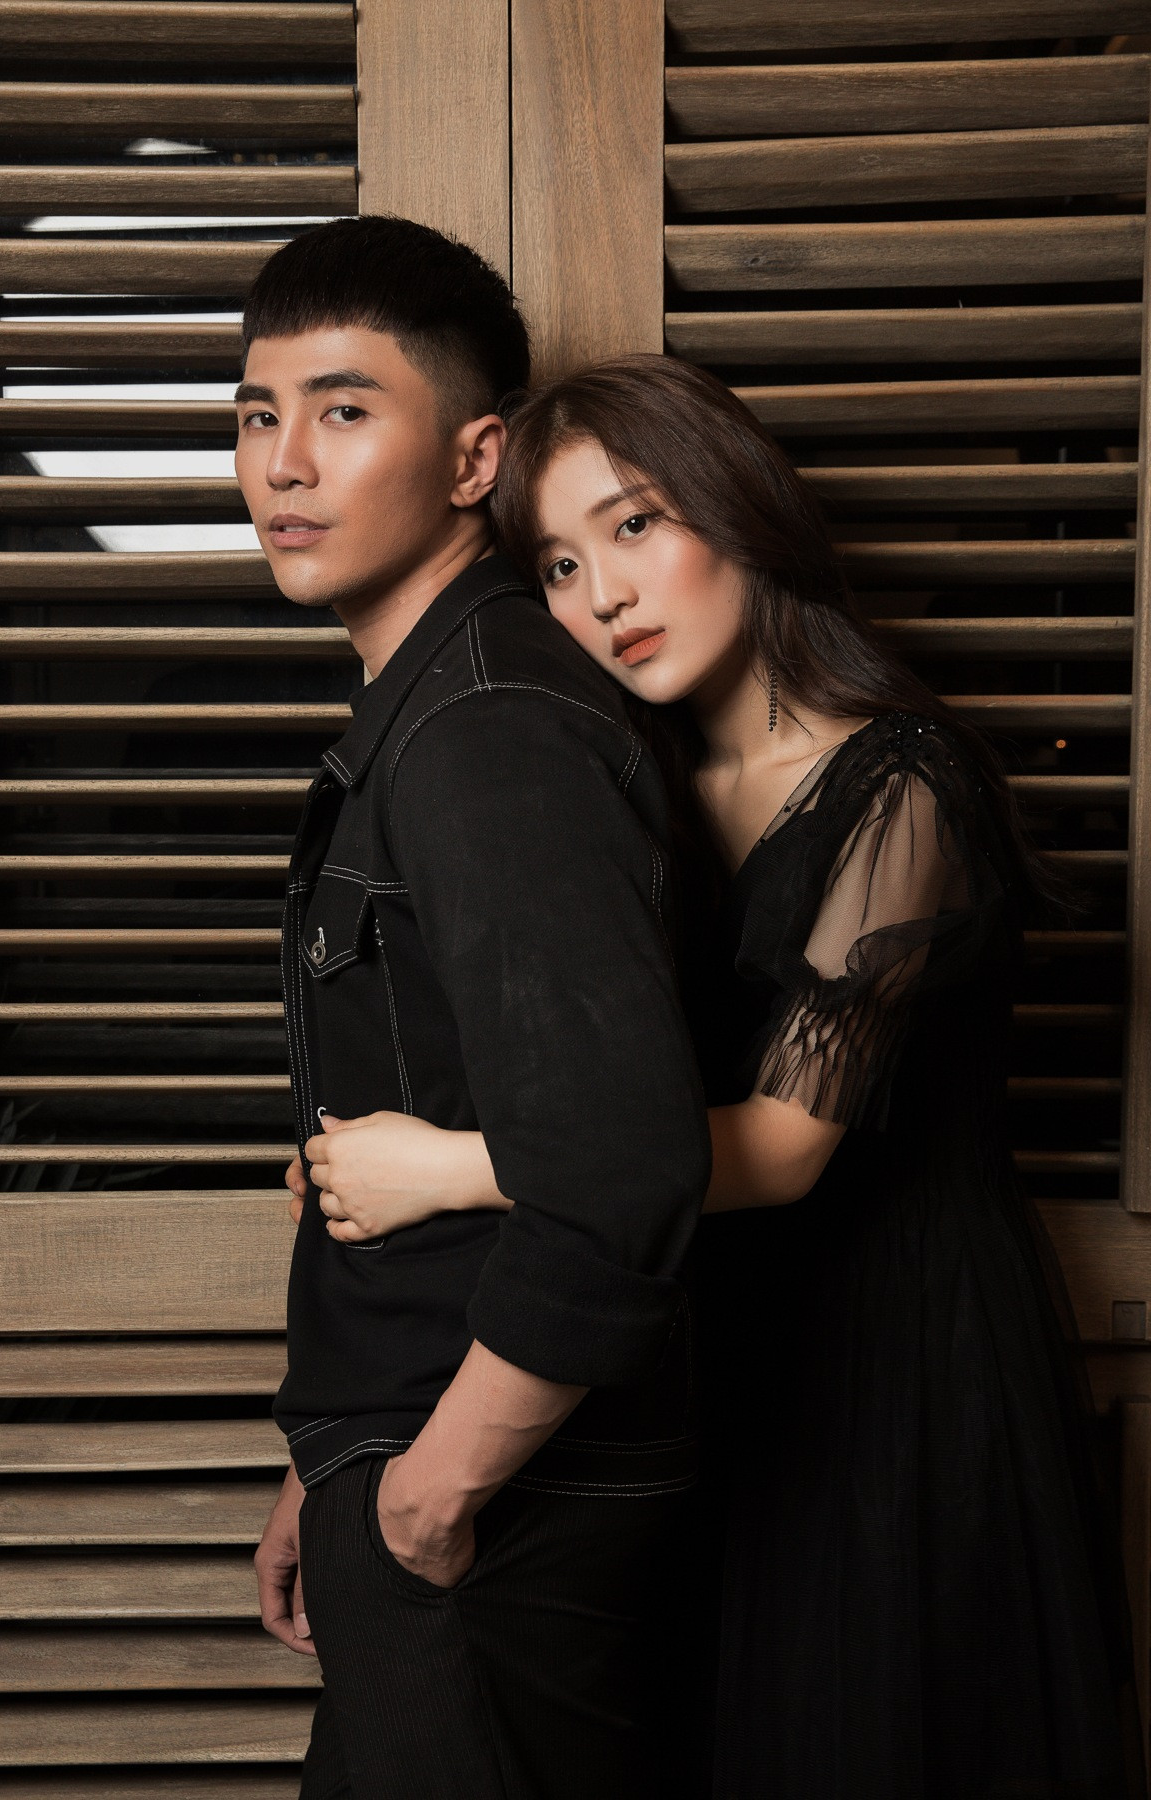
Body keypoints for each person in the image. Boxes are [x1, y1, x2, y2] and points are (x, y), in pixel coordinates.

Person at [301, 354, 1142, 1798]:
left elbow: (790, 1146)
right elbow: (587, 1087)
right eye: (559, 565)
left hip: (892, 1347)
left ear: (738, 509)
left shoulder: (905, 783)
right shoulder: (641, 790)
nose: (604, 595)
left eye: (635, 525)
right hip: (702, 1344)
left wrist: (447, 1167)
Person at [240, 228, 711, 1800]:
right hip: (417, 1459)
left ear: (472, 459)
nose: (284, 463)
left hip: (502, 1507)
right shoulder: (431, 707)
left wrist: (430, 1491)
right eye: (257, 416)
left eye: (343, 409)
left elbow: (622, 1170)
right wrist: (334, 1457)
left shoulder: (489, 726)